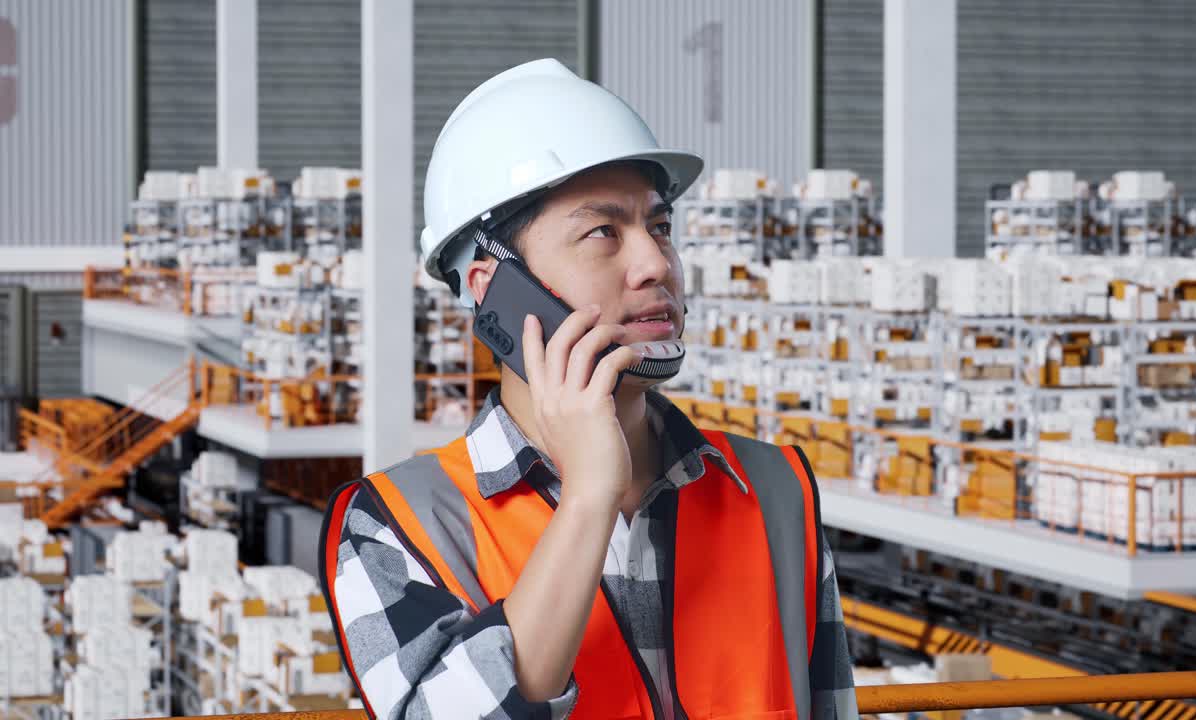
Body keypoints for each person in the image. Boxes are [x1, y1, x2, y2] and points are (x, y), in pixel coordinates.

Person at [319, 58, 856, 719]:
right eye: (604, 232)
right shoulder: (395, 524)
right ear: (492, 290)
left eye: (659, 226)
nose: (657, 263)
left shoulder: (773, 488)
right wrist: (589, 497)